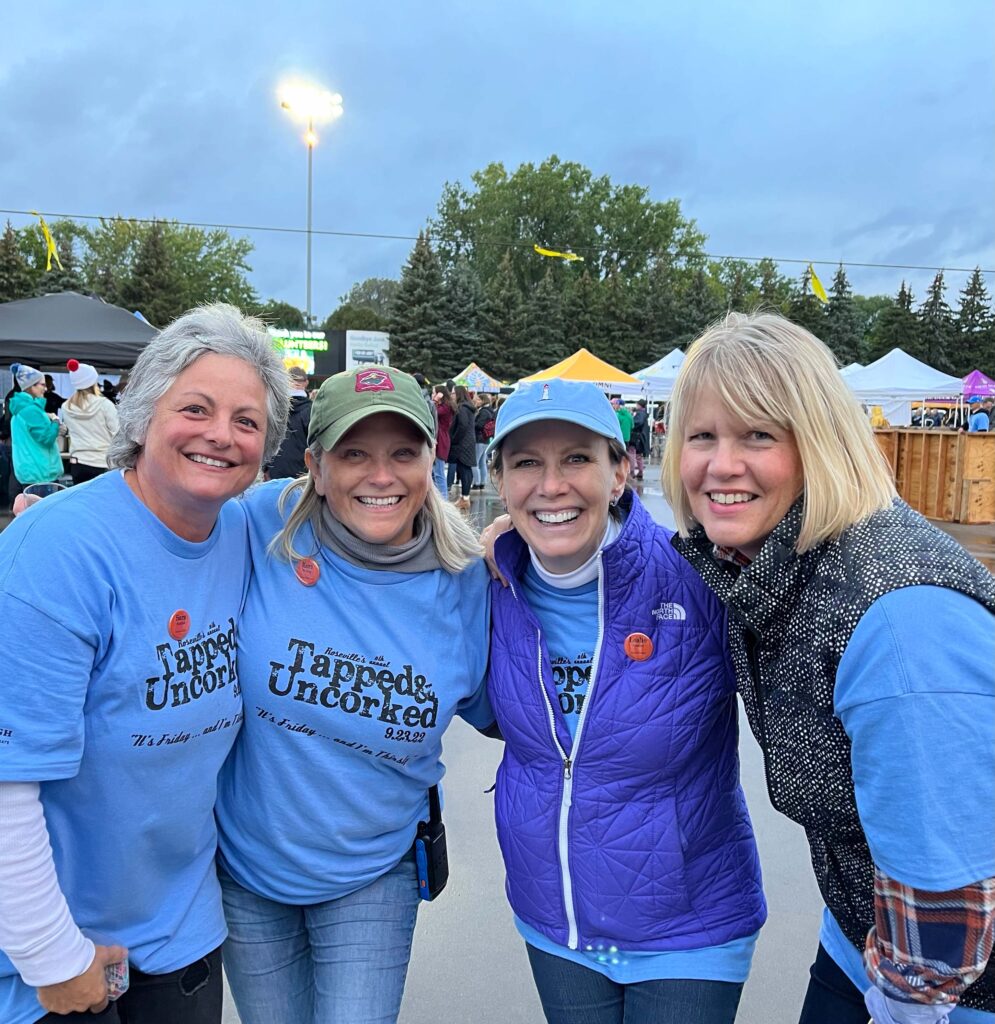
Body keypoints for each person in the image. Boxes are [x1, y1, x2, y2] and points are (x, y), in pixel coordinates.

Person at [660, 311, 995, 1024]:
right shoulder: (767, 561)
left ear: (819, 441)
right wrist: (521, 544)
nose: (721, 464)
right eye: (702, 436)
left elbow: (946, 889)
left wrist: (903, 1003)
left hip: (949, 985)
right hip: (861, 935)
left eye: (758, 435)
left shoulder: (898, 622)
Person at [0, 304, 290, 1024]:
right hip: (52, 956)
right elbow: (6, 782)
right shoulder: (56, 555)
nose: (221, 435)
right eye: (195, 408)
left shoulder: (241, 531)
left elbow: (362, 511)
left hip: (180, 936)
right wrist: (51, 957)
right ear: (142, 414)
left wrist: (498, 544)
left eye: (247, 421)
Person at [215, 364, 493, 1024]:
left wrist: (538, 551)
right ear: (315, 466)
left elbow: (513, 708)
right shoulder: (262, 524)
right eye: (354, 454)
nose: (381, 475)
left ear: (430, 461)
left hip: (373, 873)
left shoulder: (468, 578)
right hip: (245, 871)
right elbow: (157, 527)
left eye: (403, 453)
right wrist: (51, 515)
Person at [486, 378, 766, 1024]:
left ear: (619, 472)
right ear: (499, 480)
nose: (551, 485)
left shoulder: (698, 574)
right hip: (554, 921)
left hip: (688, 929)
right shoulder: (488, 583)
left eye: (576, 459)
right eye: (526, 463)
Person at [59, 359, 120, 485]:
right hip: (102, 462)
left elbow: (68, 430)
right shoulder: (105, 404)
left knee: (82, 497)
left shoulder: (66, 407)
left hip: (78, 463)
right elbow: (118, 432)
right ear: (93, 382)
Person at [7, 363, 63, 488]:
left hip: (29, 471)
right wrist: (55, 421)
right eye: (42, 385)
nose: (46, 389)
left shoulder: (20, 409)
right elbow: (47, 438)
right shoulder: (32, 411)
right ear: (31, 386)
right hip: (41, 473)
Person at [265, 366, 312, 479]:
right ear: (306, 383)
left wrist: (265, 468)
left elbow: (266, 438)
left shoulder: (274, 408)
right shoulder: (312, 410)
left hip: (275, 471)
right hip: (301, 474)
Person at [447, 383, 476, 511]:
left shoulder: (463, 408)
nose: (451, 395)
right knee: (465, 470)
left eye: (453, 393)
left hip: (462, 444)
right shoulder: (467, 407)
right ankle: (464, 497)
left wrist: (454, 439)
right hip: (467, 442)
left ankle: (465, 498)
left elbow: (462, 426)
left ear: (458, 394)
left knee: (464, 470)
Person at [431, 383, 455, 497]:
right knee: (435, 472)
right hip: (441, 438)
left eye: (434, 393)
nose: (432, 395)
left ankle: (444, 499)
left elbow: (432, 411)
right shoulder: (444, 406)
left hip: (441, 440)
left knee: (439, 472)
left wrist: (435, 400)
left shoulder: (445, 407)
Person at [473, 391, 496, 490]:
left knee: (475, 462)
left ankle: (476, 483)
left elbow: (479, 425)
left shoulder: (483, 412)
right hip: (486, 439)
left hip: (479, 439)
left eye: (478, 399)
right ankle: (483, 482)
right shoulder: (490, 411)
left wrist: (472, 423)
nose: (476, 401)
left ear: (483, 400)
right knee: (482, 462)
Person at [630, 398, 650, 479]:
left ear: (640, 405)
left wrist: (632, 423)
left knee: (633, 453)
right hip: (641, 436)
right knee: (638, 455)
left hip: (638, 436)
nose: (636, 405)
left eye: (637, 404)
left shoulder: (640, 413)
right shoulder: (643, 413)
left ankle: (633, 472)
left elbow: (638, 422)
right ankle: (640, 471)